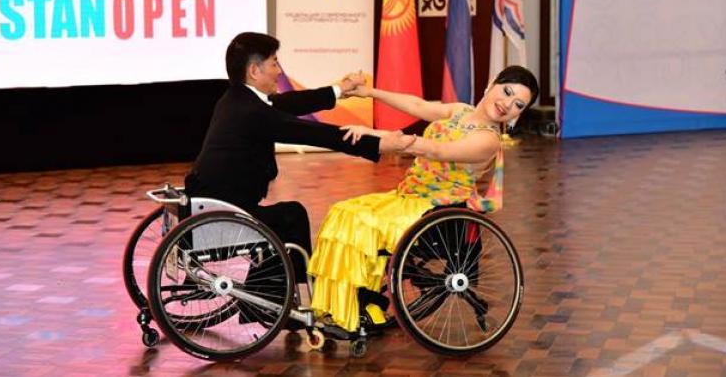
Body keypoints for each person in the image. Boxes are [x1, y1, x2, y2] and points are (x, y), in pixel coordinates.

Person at [307, 65, 539, 333]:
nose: (507, 104)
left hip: (435, 209)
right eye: (507, 92)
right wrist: (369, 92)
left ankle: (365, 307)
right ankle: (344, 306)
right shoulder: (460, 111)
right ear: (492, 84)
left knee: (361, 221)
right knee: (343, 211)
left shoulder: (489, 140)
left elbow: (439, 151)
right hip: (408, 195)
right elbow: (417, 105)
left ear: (518, 115)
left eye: (518, 104)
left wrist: (379, 136)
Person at [184, 32, 414, 298]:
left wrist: (341, 89)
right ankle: (277, 298)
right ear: (254, 71)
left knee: (286, 217)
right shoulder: (251, 111)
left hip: (212, 205)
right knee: (291, 217)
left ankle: (270, 299)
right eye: (274, 63)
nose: (279, 71)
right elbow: (312, 133)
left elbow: (289, 103)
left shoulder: (236, 99)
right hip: (224, 215)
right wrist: (378, 143)